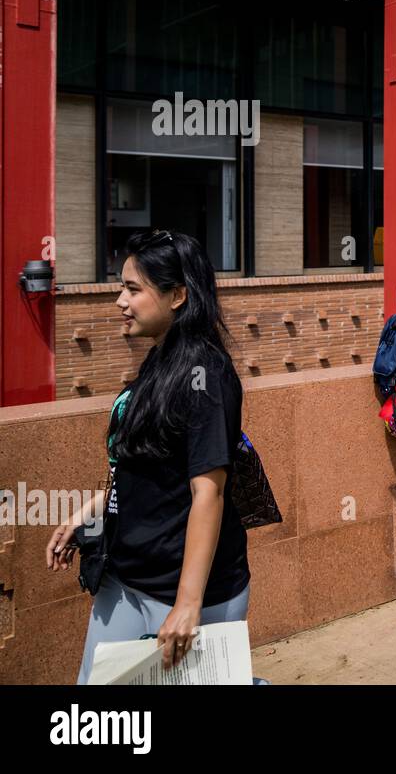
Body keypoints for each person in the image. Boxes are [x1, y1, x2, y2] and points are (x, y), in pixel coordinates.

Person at [45, 230, 251, 684]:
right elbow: (144, 469)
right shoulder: (161, 359)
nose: (120, 300)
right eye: (122, 286)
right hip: (123, 574)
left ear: (178, 295)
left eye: (133, 289)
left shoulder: (205, 372)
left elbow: (207, 492)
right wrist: (87, 514)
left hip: (182, 589)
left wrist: (188, 603)